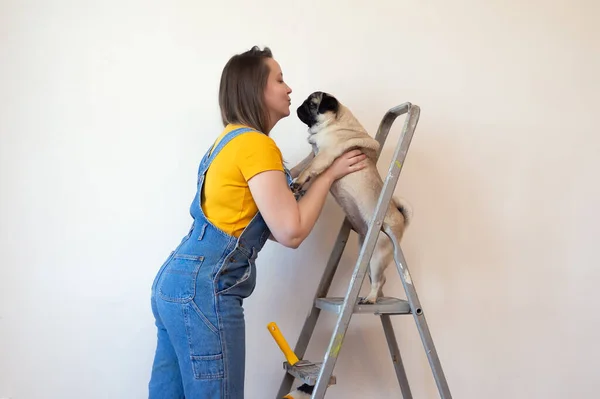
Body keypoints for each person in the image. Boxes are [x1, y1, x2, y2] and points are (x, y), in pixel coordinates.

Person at [148, 45, 367, 399]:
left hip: (175, 284)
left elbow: (275, 218)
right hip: (206, 290)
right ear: (256, 90)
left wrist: (317, 170)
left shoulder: (229, 141)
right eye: (279, 79)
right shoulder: (257, 146)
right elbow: (291, 231)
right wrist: (329, 174)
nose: (289, 88)